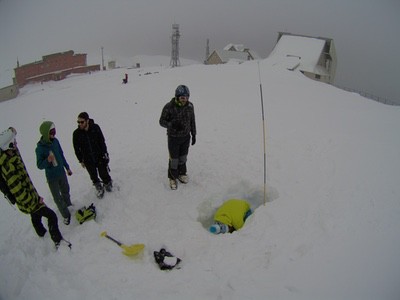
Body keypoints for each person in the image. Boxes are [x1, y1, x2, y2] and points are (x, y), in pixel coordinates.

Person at [0, 127, 65, 248]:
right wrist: (35, 201)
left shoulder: (11, 156)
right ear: (8, 146)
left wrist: (11, 132)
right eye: (13, 143)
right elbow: (18, 192)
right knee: (51, 216)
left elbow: (14, 150)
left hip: (30, 197)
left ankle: (41, 235)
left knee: (35, 217)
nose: (16, 144)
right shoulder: (9, 167)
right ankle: (58, 241)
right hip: (28, 201)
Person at [159, 85, 196, 190]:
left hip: (185, 137)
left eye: (186, 97)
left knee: (183, 158)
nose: (184, 100)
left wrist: (194, 134)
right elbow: (161, 121)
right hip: (173, 138)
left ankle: (181, 173)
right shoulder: (169, 107)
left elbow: (192, 121)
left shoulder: (190, 106)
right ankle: (172, 177)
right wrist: (172, 124)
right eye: (182, 98)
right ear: (177, 97)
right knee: (174, 159)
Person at [36, 121, 73, 225]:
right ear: (45, 133)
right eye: (51, 132)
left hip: (61, 172)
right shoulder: (40, 149)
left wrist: (67, 167)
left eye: (54, 132)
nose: (53, 134)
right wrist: (47, 160)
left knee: (66, 191)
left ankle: (69, 206)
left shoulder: (55, 141)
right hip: (52, 177)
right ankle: (66, 215)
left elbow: (61, 154)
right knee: (57, 198)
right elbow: (39, 165)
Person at [73, 112, 112, 198]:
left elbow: (102, 141)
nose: (80, 124)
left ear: (87, 121)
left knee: (103, 172)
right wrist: (80, 160)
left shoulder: (95, 128)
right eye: (78, 122)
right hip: (87, 159)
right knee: (93, 175)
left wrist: (105, 153)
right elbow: (76, 149)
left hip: (99, 156)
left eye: (82, 122)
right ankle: (98, 187)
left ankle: (107, 182)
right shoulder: (76, 134)